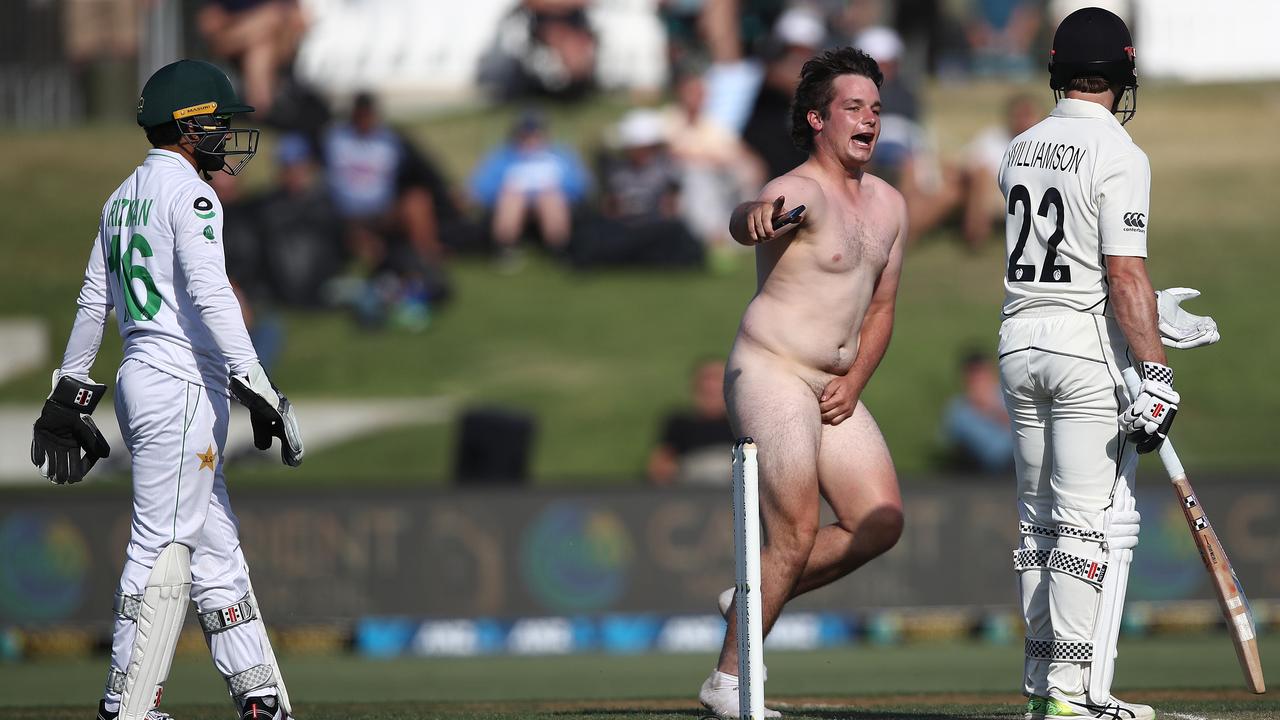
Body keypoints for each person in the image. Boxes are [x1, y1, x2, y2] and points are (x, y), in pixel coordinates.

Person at [28, 60, 303, 720]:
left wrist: (71, 386)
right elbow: (211, 293)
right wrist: (258, 382)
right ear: (186, 126)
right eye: (216, 122)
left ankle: (259, 695)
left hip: (141, 380)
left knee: (216, 550)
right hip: (182, 386)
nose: (226, 136)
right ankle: (127, 704)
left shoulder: (121, 197)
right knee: (161, 550)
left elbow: (95, 301)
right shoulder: (193, 194)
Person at [996, 10, 1218, 719]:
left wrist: (1154, 313)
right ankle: (1070, 696)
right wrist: (1155, 371)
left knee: (1037, 526)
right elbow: (1120, 274)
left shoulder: (1018, 147)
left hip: (1017, 337)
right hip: (1083, 345)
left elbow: (1080, 264)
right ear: (1121, 76)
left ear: (1057, 70)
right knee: (1085, 525)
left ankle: (1040, 691)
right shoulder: (1120, 152)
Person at [699, 47, 907, 718]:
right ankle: (728, 682)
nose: (869, 119)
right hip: (770, 372)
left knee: (880, 521)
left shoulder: (888, 205)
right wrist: (750, 219)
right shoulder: (801, 190)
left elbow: (881, 310)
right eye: (854, 107)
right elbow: (754, 212)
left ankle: (756, 591)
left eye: (875, 108)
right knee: (794, 527)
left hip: (831, 384)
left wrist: (856, 381)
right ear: (818, 119)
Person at [468, 111, 590, 266]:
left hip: (553, 202)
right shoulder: (502, 157)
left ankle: (560, 247)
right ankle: (505, 247)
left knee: (549, 197)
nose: (531, 139)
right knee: (513, 197)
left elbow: (580, 185)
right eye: (525, 135)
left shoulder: (561, 155)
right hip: (512, 203)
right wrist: (508, 190)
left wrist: (553, 190)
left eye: (536, 134)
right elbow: (481, 187)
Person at [647, 359, 735, 485]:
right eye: (706, 384)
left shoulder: (742, 426)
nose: (711, 386)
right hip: (689, 494)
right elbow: (658, 468)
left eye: (716, 382)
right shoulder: (680, 424)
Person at [940, 351, 1013, 473]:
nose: (979, 383)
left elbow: (1025, 428)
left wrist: (993, 409)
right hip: (978, 469)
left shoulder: (1009, 397)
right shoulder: (959, 408)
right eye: (974, 378)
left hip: (1013, 464)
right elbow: (953, 441)